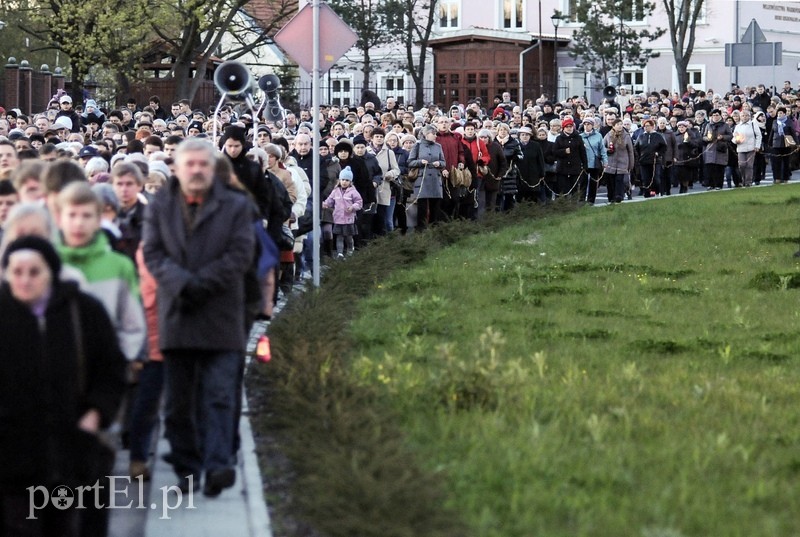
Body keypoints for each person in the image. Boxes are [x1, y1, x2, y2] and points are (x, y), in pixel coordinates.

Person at [143, 138, 255, 497]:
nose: (195, 170)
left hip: (220, 316)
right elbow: (153, 253)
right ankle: (188, 468)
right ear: (176, 168)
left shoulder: (236, 205)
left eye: (202, 164)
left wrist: (201, 284)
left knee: (219, 396)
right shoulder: (160, 205)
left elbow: (240, 254)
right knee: (178, 405)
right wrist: (182, 284)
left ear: (212, 169)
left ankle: (218, 464)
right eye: (188, 164)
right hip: (178, 314)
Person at [0, 236, 126, 537]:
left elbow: (110, 367)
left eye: (34, 272)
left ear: (51, 273)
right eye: (17, 272)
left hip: (72, 451)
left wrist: (96, 413)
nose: (25, 280)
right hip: (11, 459)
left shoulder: (83, 311)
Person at [407, 124, 446, 230]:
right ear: (426, 134)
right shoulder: (417, 145)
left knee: (435, 208)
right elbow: (410, 162)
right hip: (422, 180)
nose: (435, 136)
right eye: (433, 133)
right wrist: (420, 162)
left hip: (435, 180)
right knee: (422, 208)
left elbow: (444, 162)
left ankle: (434, 230)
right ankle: (421, 231)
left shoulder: (438, 146)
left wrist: (439, 163)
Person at [322, 166, 363, 259]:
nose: (344, 182)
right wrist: (325, 204)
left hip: (348, 220)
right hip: (338, 219)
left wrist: (352, 207)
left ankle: (350, 249)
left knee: (348, 237)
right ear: (339, 180)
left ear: (350, 182)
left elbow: (359, 202)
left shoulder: (353, 192)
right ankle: (340, 253)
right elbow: (330, 200)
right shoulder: (335, 191)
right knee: (339, 237)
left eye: (347, 180)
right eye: (343, 180)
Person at [553, 116, 588, 198]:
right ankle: (563, 203)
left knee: (574, 188)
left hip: (575, 167)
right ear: (563, 128)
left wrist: (585, 164)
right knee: (563, 188)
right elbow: (554, 152)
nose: (569, 128)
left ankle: (574, 203)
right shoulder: (559, 138)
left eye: (570, 126)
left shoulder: (578, 137)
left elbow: (582, 152)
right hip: (562, 168)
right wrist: (564, 151)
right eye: (567, 127)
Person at [603, 119, 635, 203]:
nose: (620, 126)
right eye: (618, 124)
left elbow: (630, 151)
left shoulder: (626, 136)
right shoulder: (608, 135)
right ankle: (611, 197)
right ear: (613, 126)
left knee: (619, 180)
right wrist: (607, 150)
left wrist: (631, 164)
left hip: (622, 163)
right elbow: (602, 147)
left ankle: (619, 196)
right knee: (611, 182)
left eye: (621, 124)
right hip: (610, 162)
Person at [634, 118, 667, 197]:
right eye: (645, 126)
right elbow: (636, 147)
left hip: (655, 161)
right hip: (644, 161)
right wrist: (639, 156)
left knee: (656, 178)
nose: (646, 127)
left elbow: (664, 147)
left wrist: (658, 153)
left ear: (652, 126)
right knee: (645, 178)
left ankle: (657, 191)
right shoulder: (641, 136)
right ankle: (647, 193)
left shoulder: (658, 136)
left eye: (648, 126)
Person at [701, 109, 733, 190]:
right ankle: (710, 184)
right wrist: (707, 138)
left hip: (720, 148)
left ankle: (719, 185)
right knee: (710, 168)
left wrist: (723, 137)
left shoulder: (725, 125)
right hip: (710, 148)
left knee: (719, 168)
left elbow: (730, 136)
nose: (715, 117)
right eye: (714, 115)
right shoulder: (708, 125)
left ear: (720, 116)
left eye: (717, 115)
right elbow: (704, 136)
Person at [767, 107, 797, 184]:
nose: (779, 114)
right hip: (776, 144)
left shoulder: (788, 121)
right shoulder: (775, 122)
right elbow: (772, 133)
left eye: (781, 113)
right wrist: (769, 143)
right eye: (778, 113)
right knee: (776, 162)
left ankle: (785, 178)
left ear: (784, 114)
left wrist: (797, 143)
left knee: (786, 162)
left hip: (786, 144)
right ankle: (777, 178)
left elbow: (793, 132)